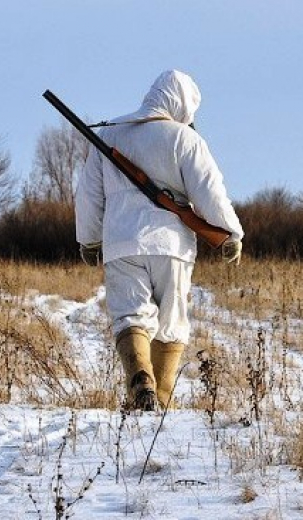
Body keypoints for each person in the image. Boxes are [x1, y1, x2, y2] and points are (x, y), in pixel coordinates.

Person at [75, 69, 244, 411]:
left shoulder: (108, 136)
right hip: (173, 248)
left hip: (121, 243)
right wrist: (230, 233)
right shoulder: (185, 138)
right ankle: (160, 402)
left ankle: (141, 382)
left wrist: (90, 240)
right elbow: (210, 192)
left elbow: (88, 195)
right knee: (171, 324)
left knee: (130, 318)